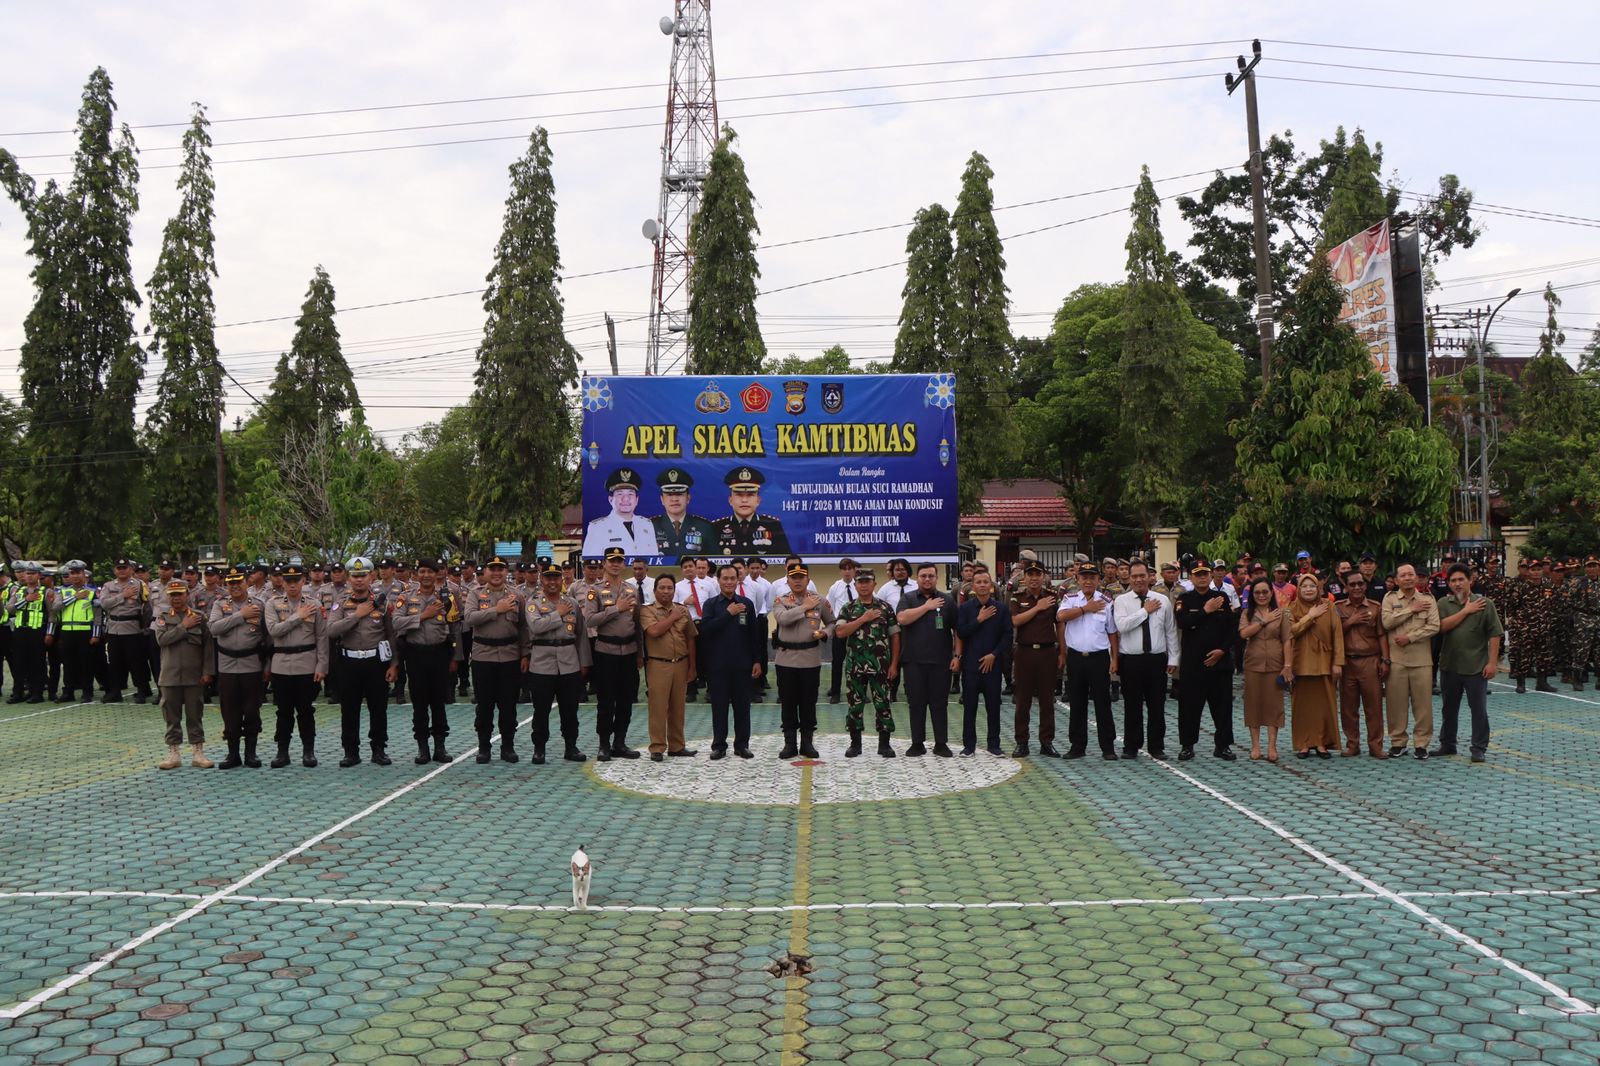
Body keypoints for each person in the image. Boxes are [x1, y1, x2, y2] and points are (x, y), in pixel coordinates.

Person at [325, 558, 398, 768]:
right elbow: (331, 631)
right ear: (349, 578)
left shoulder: (382, 602)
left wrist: (394, 664)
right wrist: (356, 616)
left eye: (363, 575)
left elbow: (391, 635)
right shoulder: (341, 602)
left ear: (371, 577)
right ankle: (351, 752)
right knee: (349, 709)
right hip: (349, 662)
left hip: (376, 662)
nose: (359, 580)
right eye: (355, 576)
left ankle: (379, 749)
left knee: (378, 709)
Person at [390, 559, 461, 765]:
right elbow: (396, 622)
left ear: (437, 574)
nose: (426, 575)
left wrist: (455, 657)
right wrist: (423, 616)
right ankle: (423, 748)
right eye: (422, 571)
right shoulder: (406, 597)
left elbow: (455, 627)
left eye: (430, 571)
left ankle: (440, 747)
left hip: (440, 654)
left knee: (439, 703)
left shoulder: (446, 597)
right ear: (416, 574)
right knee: (419, 704)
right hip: (415, 655)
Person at [1434, 563, 1504, 762]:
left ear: (1470, 581)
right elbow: (1440, 627)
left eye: (1461, 579)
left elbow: (1494, 634)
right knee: (1449, 709)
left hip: (1476, 667)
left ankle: (1478, 748)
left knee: (1478, 710)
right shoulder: (1443, 604)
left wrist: (1492, 663)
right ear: (1448, 583)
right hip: (1450, 666)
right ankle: (1448, 744)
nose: (1457, 584)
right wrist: (1466, 611)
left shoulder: (1485, 604)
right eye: (1453, 580)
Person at [524, 561, 591, 764]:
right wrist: (558, 614)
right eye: (548, 578)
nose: (552, 582)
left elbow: (581, 635)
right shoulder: (533, 602)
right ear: (542, 580)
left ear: (562, 579)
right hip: (542, 662)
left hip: (569, 661)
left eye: (556, 577)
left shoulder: (572, 603)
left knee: (570, 709)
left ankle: (571, 747)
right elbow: (536, 626)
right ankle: (539, 748)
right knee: (541, 709)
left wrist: (584, 662)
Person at [1113, 561, 1178, 760]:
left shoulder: (1162, 600)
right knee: (1132, 706)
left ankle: (1156, 746)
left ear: (1149, 577)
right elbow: (1122, 626)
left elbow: (1170, 631)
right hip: (1131, 661)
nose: (1139, 580)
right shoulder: (1122, 601)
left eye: (1142, 575)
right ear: (1129, 577)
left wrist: (1173, 658)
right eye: (1134, 576)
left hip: (1156, 659)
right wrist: (1145, 611)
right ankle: (1131, 746)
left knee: (1157, 705)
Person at [464, 556, 527, 763]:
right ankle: (484, 747)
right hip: (483, 655)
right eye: (493, 569)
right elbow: (469, 618)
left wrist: (525, 654)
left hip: (510, 656)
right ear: (485, 572)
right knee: (484, 705)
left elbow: (524, 628)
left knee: (508, 705)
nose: (497, 573)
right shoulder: (475, 594)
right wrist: (496, 610)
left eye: (501, 569)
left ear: (506, 572)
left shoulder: (517, 596)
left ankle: (508, 747)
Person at [833, 567, 901, 758]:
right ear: (855, 585)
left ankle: (884, 744)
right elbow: (840, 632)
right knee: (855, 705)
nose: (864, 585)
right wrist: (863, 619)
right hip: (855, 666)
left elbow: (895, 636)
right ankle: (855, 744)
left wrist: (894, 664)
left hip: (881, 667)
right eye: (860, 582)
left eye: (867, 581)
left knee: (883, 704)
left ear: (874, 584)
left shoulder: (885, 608)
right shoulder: (848, 608)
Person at [266, 563, 328, 768]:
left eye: (296, 580)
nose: (292, 585)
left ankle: (308, 751)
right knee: (283, 712)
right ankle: (282, 752)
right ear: (282, 582)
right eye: (288, 581)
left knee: (306, 711)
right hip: (281, 665)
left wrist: (322, 666)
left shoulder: (314, 604)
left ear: (303, 581)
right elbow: (274, 630)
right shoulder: (272, 604)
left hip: (306, 664)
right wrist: (297, 617)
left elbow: (322, 637)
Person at [582, 546, 642, 761]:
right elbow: (590, 620)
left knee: (626, 700)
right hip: (606, 651)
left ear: (624, 564)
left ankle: (620, 743)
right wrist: (616, 608)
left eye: (619, 561)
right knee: (606, 701)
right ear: (604, 564)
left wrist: (640, 653)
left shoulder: (631, 589)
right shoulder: (595, 590)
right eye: (612, 561)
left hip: (629, 651)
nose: (616, 564)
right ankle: (604, 744)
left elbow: (637, 623)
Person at [1174, 562, 1239, 761]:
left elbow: (1232, 629)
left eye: (1205, 574)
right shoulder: (1184, 599)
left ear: (1211, 576)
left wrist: (1222, 650)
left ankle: (1223, 745)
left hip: (1219, 662)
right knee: (1189, 707)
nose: (1202, 577)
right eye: (1198, 574)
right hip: (1193, 664)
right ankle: (1187, 745)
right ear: (1191, 578)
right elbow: (1183, 622)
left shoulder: (1222, 598)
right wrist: (1205, 611)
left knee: (1223, 707)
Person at [1056, 562, 1120, 760]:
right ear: (1078, 579)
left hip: (1099, 658)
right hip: (1076, 657)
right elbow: (1061, 616)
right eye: (1084, 577)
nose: (1088, 581)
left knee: (1103, 702)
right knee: (1077, 703)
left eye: (1092, 577)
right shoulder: (1070, 598)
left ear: (1098, 580)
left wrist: (1115, 658)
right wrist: (1085, 609)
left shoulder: (1106, 601)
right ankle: (1077, 746)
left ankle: (1108, 747)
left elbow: (1112, 632)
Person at [894, 562, 958, 758]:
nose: (927, 579)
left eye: (931, 576)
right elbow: (902, 619)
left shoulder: (947, 600)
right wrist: (927, 606)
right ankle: (917, 743)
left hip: (941, 662)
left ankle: (941, 743)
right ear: (917, 579)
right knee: (916, 704)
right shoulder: (908, 598)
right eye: (923, 576)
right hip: (913, 662)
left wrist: (957, 655)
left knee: (939, 704)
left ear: (937, 578)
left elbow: (958, 630)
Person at [771, 561, 834, 759]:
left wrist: (825, 633)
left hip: (810, 660)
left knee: (808, 703)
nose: (797, 581)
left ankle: (807, 743)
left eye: (801, 577)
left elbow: (832, 623)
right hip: (786, 659)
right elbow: (783, 619)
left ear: (808, 579)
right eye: (793, 578)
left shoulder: (820, 601)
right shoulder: (781, 600)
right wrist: (805, 607)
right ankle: (789, 743)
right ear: (788, 580)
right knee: (788, 703)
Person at [700, 564, 763, 759]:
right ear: (718, 580)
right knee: (719, 708)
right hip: (717, 666)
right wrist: (728, 614)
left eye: (732, 578)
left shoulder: (746, 604)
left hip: (742, 665)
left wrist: (757, 660)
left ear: (738, 580)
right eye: (725, 578)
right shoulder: (710, 604)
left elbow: (754, 635)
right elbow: (706, 630)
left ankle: (742, 745)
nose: (729, 582)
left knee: (742, 708)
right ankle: (719, 745)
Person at [209, 564, 269, 769]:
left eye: (238, 582)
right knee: (230, 712)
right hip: (227, 667)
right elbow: (214, 628)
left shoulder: (259, 605)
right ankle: (232, 754)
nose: (234, 586)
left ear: (246, 582)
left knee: (252, 711)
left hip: (252, 665)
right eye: (231, 583)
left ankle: (251, 754)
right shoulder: (220, 605)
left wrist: (267, 666)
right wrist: (241, 615)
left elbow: (268, 638)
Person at [1382, 563, 1440, 760]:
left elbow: (1434, 626)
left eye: (1410, 574)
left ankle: (1422, 744)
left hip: (1421, 660)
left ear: (1416, 578)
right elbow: (1387, 623)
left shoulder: (1428, 600)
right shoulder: (1389, 598)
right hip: (1396, 660)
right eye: (1403, 575)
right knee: (1396, 705)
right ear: (1396, 580)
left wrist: (1410, 637)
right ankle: (1398, 742)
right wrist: (1410, 610)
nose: (1407, 578)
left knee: (1423, 706)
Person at [154, 580, 214, 770]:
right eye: (172, 595)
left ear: (187, 595)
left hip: (194, 675)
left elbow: (208, 647)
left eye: (179, 594)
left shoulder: (199, 617)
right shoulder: (162, 617)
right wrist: (183, 626)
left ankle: (198, 752)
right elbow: (162, 640)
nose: (176, 598)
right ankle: (174, 753)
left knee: (195, 714)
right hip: (170, 675)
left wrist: (207, 671)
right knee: (171, 716)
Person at [639, 574, 698, 761]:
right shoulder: (647, 610)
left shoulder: (683, 610)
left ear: (674, 590)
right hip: (658, 664)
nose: (666, 591)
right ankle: (657, 747)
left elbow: (690, 638)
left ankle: (677, 746)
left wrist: (692, 667)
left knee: (678, 707)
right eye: (662, 588)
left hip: (681, 663)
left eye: (669, 588)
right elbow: (654, 631)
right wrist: (673, 617)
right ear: (655, 590)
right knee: (658, 707)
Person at [1007, 562, 1060, 757]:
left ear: (1043, 576)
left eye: (1038, 574)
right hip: (1024, 652)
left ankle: (1047, 742)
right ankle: (1022, 742)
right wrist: (1037, 607)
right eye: (1030, 574)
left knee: (1047, 700)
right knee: (1023, 700)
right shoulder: (1017, 597)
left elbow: (1059, 624)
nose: (1034, 578)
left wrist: (1062, 652)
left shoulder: (1052, 597)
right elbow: (1015, 621)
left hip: (1047, 652)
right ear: (1025, 577)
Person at [956, 571, 1011, 757]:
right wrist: (979, 620)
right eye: (978, 582)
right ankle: (969, 746)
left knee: (993, 707)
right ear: (973, 586)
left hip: (993, 666)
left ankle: (994, 745)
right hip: (971, 666)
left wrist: (994, 654)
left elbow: (1007, 635)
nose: (982, 585)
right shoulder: (965, 609)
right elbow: (961, 633)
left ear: (991, 586)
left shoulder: (1001, 609)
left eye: (985, 582)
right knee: (970, 708)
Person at [1288, 574, 1343, 759]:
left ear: (1318, 588)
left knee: (1323, 706)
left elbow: (1337, 635)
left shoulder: (1329, 606)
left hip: (1324, 662)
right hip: (1300, 663)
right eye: (1304, 586)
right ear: (1299, 589)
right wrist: (1310, 616)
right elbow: (1291, 632)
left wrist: (1337, 662)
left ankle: (1321, 742)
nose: (1308, 589)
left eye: (1312, 586)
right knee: (1301, 706)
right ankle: (1303, 743)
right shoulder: (1291, 608)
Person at [1335, 572, 1389, 758]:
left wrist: (1385, 660)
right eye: (1352, 584)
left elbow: (1381, 635)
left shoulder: (1375, 607)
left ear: (1365, 586)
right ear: (1346, 587)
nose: (1357, 587)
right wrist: (1350, 622)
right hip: (1347, 662)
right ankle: (1352, 744)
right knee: (1348, 708)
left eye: (1360, 584)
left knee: (1374, 707)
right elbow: (1333, 634)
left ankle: (1375, 745)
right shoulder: (1338, 608)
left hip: (1370, 660)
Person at [1238, 578, 1292, 762]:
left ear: (1271, 593)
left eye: (1265, 592)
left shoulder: (1281, 613)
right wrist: (1263, 621)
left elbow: (1287, 640)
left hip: (1276, 664)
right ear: (1252, 595)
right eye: (1257, 592)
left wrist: (1288, 665)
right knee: (1253, 704)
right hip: (1253, 663)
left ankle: (1272, 746)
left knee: (1274, 705)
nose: (1261, 595)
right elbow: (1244, 633)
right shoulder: (1247, 613)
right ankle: (1255, 746)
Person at [100, 557, 152, 704]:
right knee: (115, 662)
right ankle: (115, 692)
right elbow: (104, 604)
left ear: (131, 570)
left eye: (125, 568)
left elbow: (148, 607)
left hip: (132, 627)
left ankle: (142, 691)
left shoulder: (139, 585)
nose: (122, 571)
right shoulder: (108, 586)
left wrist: (145, 626)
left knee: (136, 662)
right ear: (114, 570)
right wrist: (123, 595)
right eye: (119, 568)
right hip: (114, 628)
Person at [47, 560, 99, 703]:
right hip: (67, 631)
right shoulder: (62, 591)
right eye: (72, 573)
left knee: (86, 663)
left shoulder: (92, 592)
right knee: (68, 663)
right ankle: (68, 692)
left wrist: (96, 634)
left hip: (85, 631)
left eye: (78, 573)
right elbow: (55, 607)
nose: (75, 576)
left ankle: (87, 692)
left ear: (84, 574)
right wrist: (75, 597)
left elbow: (97, 616)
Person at [712, 466, 791, 555]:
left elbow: (784, 559)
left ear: (758, 500)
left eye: (750, 495)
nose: (744, 500)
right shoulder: (717, 527)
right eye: (739, 495)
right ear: (730, 500)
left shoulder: (772, 525)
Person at [583, 467, 660, 558]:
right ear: (610, 499)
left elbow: (655, 561)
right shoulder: (597, 528)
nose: (626, 499)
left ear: (637, 500)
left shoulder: (646, 524)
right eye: (620, 494)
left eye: (630, 494)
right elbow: (591, 563)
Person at [5, 563, 50, 703]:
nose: (29, 576)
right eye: (27, 573)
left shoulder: (46, 592)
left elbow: (52, 614)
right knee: (19, 663)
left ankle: (36, 693)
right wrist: (25, 600)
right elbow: (9, 608)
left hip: (37, 631)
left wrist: (50, 633)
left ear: (39, 575)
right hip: (20, 631)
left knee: (37, 663)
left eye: (33, 573)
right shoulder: (19, 591)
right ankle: (18, 693)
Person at [651, 467, 718, 558]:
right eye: (669, 495)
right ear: (662, 499)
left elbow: (714, 562)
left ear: (688, 498)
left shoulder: (705, 527)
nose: (674, 499)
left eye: (679, 494)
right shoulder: (650, 526)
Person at [824, 558, 860, 704]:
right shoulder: (835, 587)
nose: (847, 572)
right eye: (844, 569)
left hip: (857, 628)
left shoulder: (860, 584)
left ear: (854, 570)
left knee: (858, 662)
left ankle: (859, 692)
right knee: (837, 661)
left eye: (850, 568)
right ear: (840, 571)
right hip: (840, 628)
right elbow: (829, 607)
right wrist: (833, 626)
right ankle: (835, 692)